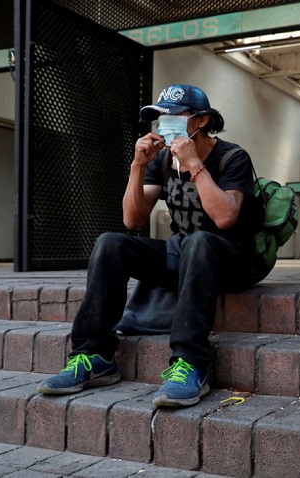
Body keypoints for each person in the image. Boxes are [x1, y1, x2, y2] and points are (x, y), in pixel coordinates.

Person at [38, 84, 257, 407]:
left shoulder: (232, 157)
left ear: (201, 121)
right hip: (184, 254)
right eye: (160, 117)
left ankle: (191, 363)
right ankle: (94, 355)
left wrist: (195, 165)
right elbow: (132, 220)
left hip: (231, 259)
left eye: (174, 116)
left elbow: (225, 218)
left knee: (200, 241)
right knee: (111, 243)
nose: (164, 123)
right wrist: (138, 165)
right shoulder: (165, 159)